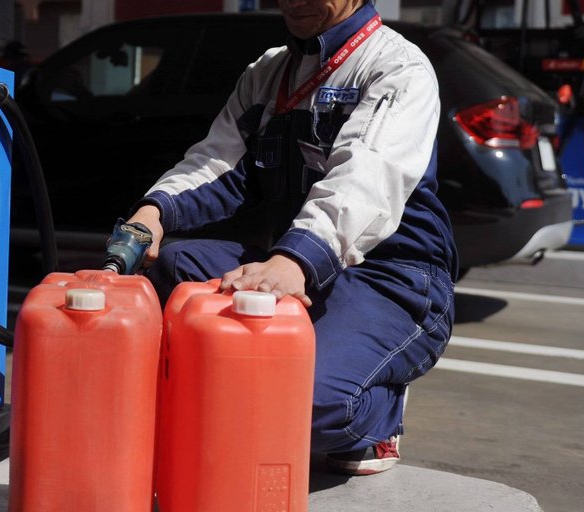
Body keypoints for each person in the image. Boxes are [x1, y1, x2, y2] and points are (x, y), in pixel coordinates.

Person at [124, 0, 457, 475]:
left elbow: (364, 181)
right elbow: (218, 164)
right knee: (174, 267)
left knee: (309, 406)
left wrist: (295, 262)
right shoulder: (268, 72)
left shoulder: (397, 67)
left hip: (394, 281)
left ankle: (381, 406)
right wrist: (154, 212)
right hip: (294, 262)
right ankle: (227, 400)